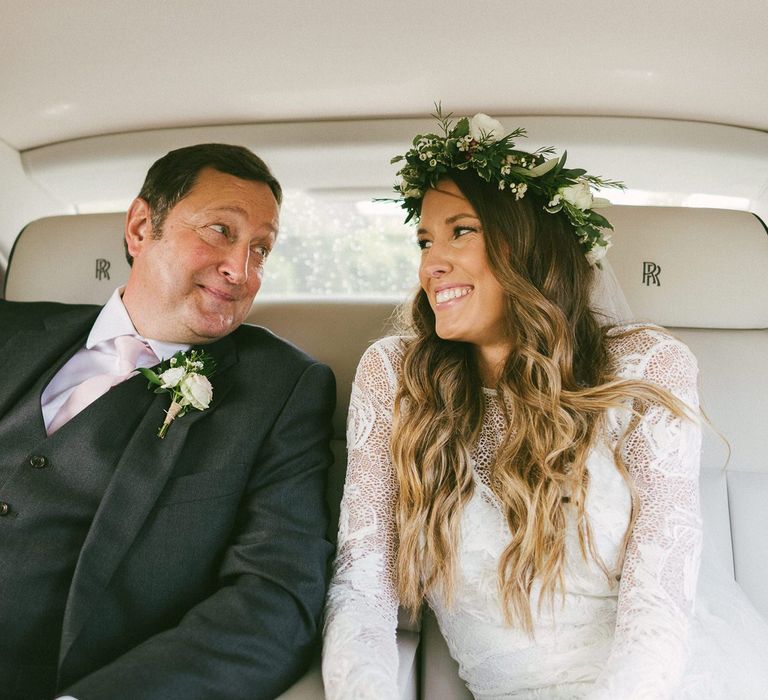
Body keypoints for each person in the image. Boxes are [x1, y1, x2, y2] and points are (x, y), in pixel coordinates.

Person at [322, 109, 768, 698]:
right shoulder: (396, 377)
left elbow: (658, 598)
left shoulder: (646, 368)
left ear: (530, 249)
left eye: (462, 231)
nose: (431, 263)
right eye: (425, 239)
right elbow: (362, 586)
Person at [0, 143, 336, 700]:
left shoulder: (281, 390)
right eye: (220, 231)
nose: (241, 270)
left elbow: (275, 597)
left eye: (261, 249)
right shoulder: (11, 332)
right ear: (139, 228)